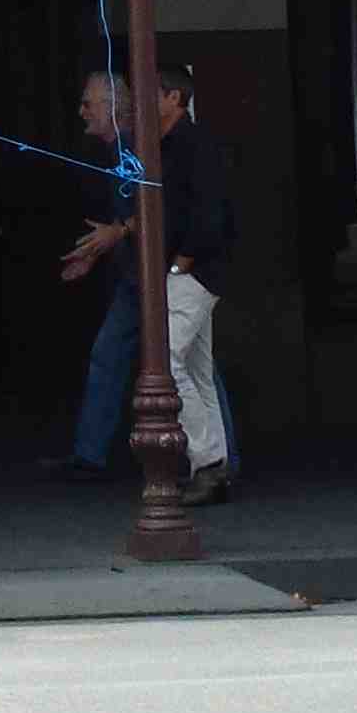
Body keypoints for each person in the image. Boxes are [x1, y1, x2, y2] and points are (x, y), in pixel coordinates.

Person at [150, 66, 238, 504]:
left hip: (192, 271)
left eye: (153, 92)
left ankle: (206, 461)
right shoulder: (176, 144)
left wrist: (180, 264)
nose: (144, 101)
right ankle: (214, 468)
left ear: (175, 98)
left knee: (166, 363)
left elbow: (208, 211)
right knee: (198, 372)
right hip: (198, 270)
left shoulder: (193, 146)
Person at [53, 72, 137, 481]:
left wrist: (115, 235)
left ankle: (219, 458)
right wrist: (97, 251)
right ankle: (90, 453)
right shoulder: (118, 150)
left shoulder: (135, 148)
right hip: (136, 276)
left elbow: (161, 206)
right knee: (110, 353)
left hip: (163, 275)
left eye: (89, 103)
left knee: (192, 363)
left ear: (113, 107)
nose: (82, 111)